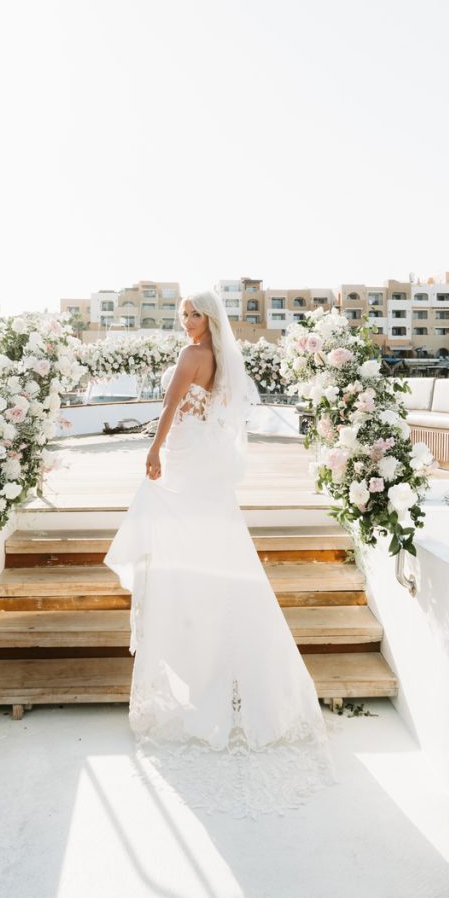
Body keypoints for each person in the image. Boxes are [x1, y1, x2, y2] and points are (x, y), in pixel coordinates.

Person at [102, 287, 335, 818]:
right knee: (215, 545)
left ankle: (202, 653)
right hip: (202, 454)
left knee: (179, 536)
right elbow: (208, 408)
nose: (186, 322)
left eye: (193, 314)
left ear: (209, 318)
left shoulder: (192, 355)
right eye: (183, 314)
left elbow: (169, 406)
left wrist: (154, 448)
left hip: (184, 453)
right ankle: (223, 661)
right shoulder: (218, 359)